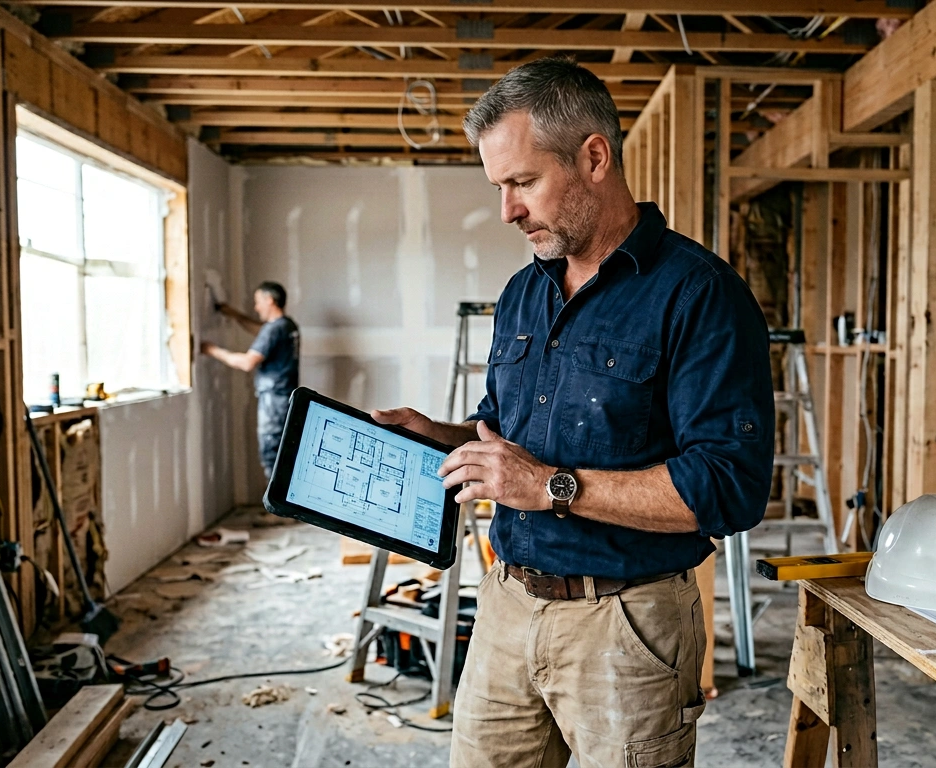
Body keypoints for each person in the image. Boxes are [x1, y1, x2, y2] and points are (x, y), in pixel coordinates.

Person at [371, 58, 775, 767]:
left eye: (523, 183)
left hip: (626, 623)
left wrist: (550, 487)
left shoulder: (699, 294)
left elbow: (729, 487)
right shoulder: (524, 294)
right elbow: (507, 441)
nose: (508, 211)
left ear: (593, 157)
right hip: (506, 602)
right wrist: (443, 439)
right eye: (500, 188)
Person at [200, 281, 300, 478]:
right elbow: (260, 331)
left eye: (258, 302)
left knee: (272, 454)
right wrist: (234, 315)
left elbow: (247, 363)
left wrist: (211, 350)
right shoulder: (287, 325)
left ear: (269, 300)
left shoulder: (274, 330)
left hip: (274, 401)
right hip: (286, 398)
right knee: (283, 452)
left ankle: (277, 508)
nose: (256, 307)